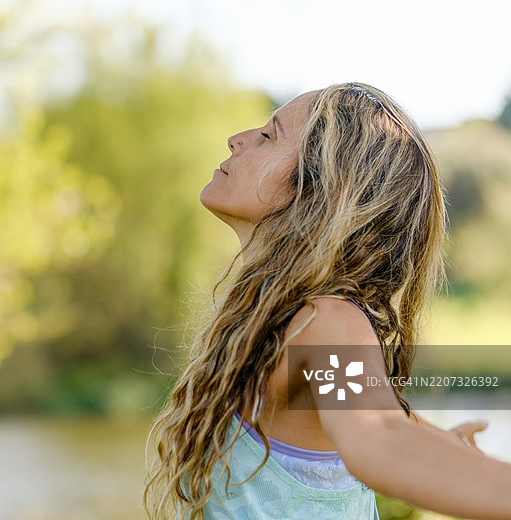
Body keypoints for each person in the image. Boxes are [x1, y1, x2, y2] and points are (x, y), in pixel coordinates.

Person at [143, 83, 511, 519]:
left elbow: (379, 437)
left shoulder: (327, 319)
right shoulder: (277, 322)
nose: (237, 139)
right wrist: (445, 444)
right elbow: (370, 408)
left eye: (269, 136)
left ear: (320, 190)